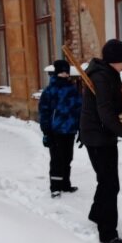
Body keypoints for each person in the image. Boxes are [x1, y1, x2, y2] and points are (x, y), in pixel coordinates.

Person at [79, 39, 122, 243]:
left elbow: (115, 107)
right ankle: (108, 233)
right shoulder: (101, 77)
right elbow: (105, 114)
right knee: (110, 184)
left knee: (106, 181)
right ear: (114, 60)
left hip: (101, 134)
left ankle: (97, 214)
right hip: (98, 136)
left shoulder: (110, 75)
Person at [39, 59, 82, 198]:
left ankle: (65, 184)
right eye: (62, 71)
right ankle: (55, 187)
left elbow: (79, 109)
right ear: (56, 72)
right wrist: (46, 132)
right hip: (55, 131)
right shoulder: (50, 91)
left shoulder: (73, 89)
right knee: (57, 159)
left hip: (70, 130)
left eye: (66, 71)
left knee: (68, 158)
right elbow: (44, 112)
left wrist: (80, 128)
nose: (64, 74)